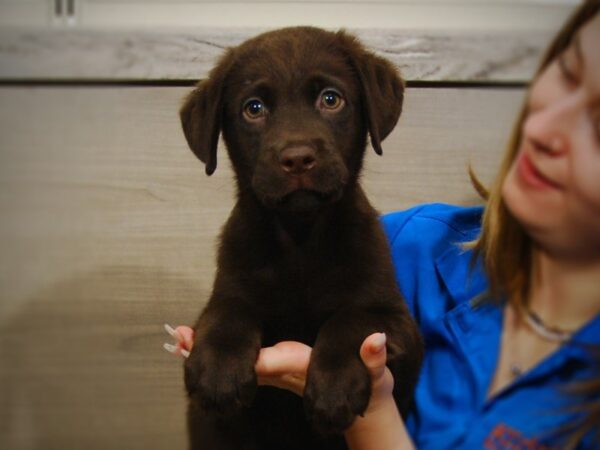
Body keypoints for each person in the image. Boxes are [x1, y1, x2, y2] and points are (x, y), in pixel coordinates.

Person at [164, 2, 600, 448]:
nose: (295, 146)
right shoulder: (418, 245)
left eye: (330, 99)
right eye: (254, 108)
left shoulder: (375, 253)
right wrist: (223, 335)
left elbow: (384, 325)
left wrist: (355, 374)